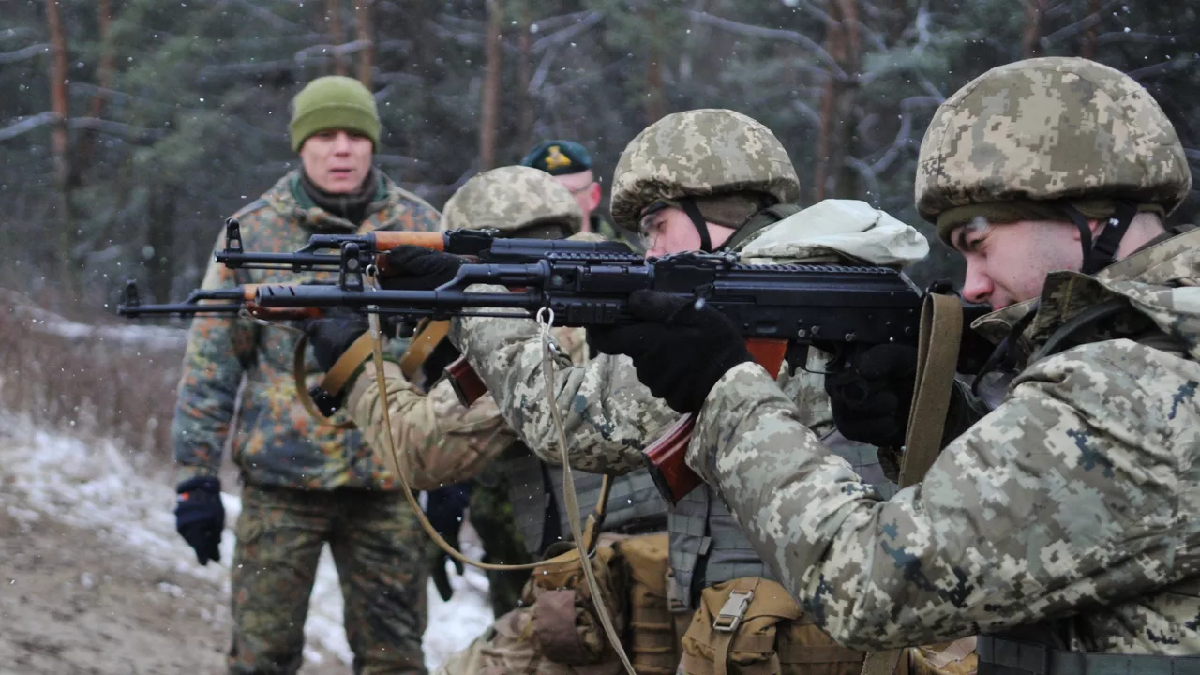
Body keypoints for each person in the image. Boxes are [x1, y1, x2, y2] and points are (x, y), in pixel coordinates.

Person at [587, 57, 1200, 670]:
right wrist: (930, 420)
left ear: (1087, 213)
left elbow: (868, 589)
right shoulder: (1151, 356)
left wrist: (724, 392)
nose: (975, 286)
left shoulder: (1136, 386)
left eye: (977, 243)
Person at [388, 110, 972, 674]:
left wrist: (478, 302)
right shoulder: (833, 275)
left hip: (789, 632)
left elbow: (563, 423)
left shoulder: (755, 303)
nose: (652, 252)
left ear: (708, 210)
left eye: (656, 226)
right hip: (778, 624)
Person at [302, 165, 672, 674]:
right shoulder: (612, 287)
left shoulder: (544, 321)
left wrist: (356, 364)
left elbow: (422, 450)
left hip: (625, 598)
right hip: (642, 583)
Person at [171, 75, 439, 674]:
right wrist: (195, 478)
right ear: (301, 145)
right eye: (324, 135)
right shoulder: (254, 233)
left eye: (353, 135)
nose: (340, 149)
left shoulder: (420, 227)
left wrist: (453, 477)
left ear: (372, 144)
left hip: (389, 482)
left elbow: (451, 356)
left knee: (395, 659)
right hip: (280, 485)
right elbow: (212, 363)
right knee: (261, 656)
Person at [520, 139, 637, 247]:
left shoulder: (627, 260)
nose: (554, 204)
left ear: (593, 197)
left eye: (566, 193)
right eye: (542, 195)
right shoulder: (511, 258)